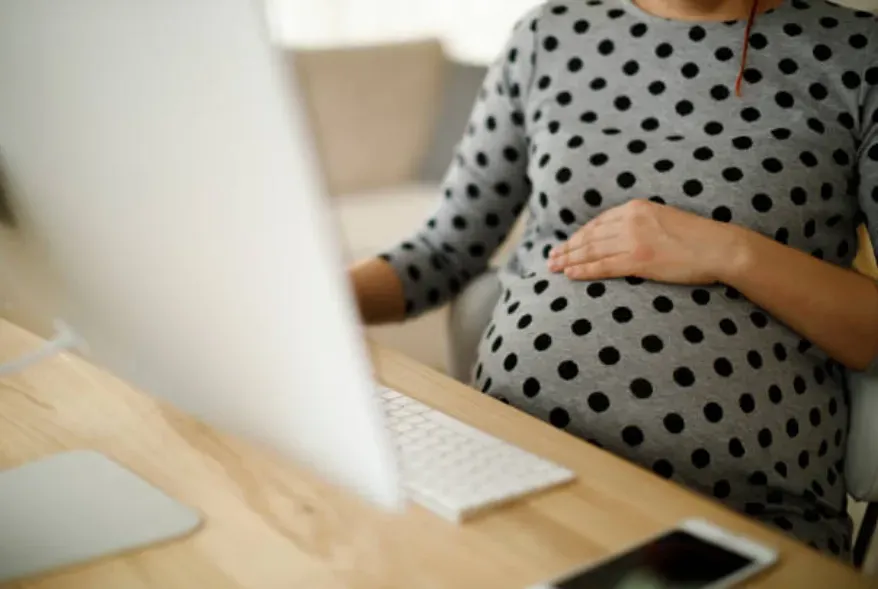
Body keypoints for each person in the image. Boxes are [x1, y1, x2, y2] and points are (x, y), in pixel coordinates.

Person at [350, 0, 878, 557]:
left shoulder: (857, 55)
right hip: (507, 474)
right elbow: (443, 250)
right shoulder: (547, 36)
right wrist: (297, 300)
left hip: (737, 517)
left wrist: (730, 252)